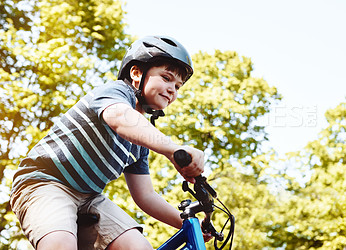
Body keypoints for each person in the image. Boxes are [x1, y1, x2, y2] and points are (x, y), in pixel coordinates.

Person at [10, 35, 208, 249]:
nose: (172, 90)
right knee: (60, 243)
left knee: (138, 246)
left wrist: (188, 224)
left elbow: (146, 195)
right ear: (136, 73)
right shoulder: (115, 93)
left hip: (88, 198)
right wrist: (173, 149)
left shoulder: (140, 143)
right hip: (45, 182)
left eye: (178, 86)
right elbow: (120, 118)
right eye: (167, 78)